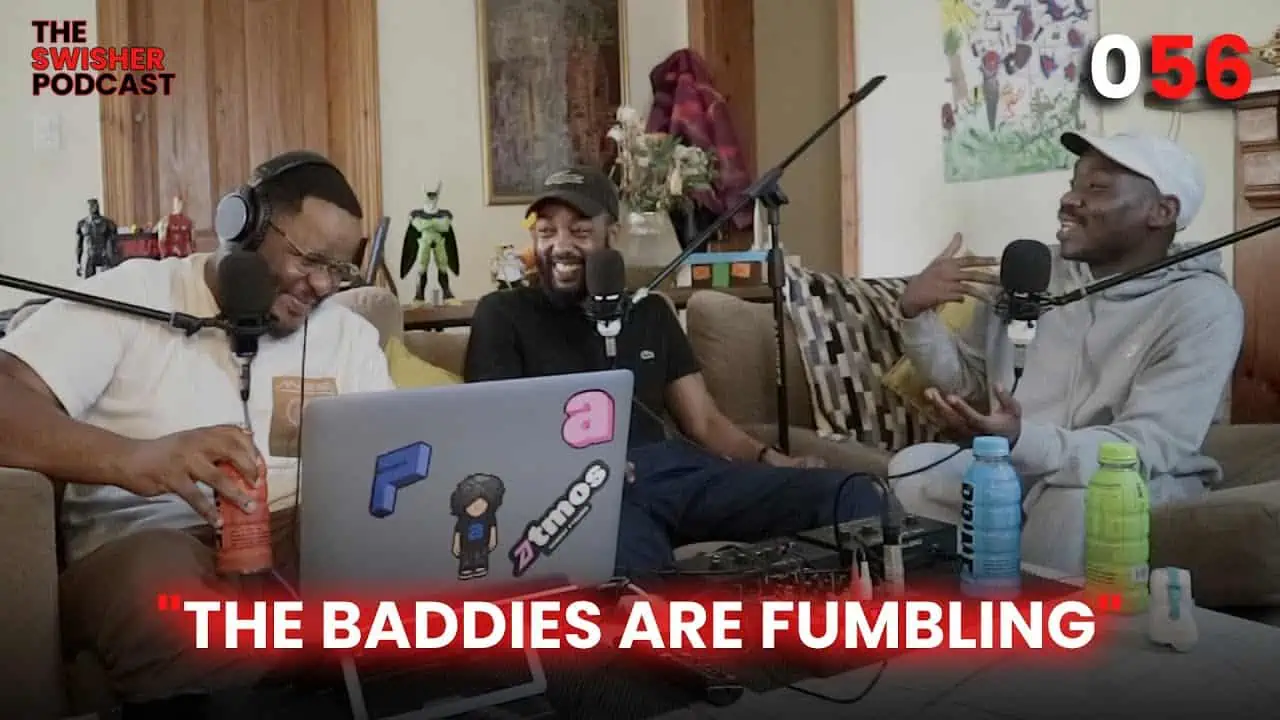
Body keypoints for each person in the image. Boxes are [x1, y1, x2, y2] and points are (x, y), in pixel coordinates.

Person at [0, 152, 393, 713]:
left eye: (340, 270)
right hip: (156, 544)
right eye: (309, 259)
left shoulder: (348, 335)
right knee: (169, 601)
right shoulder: (132, 294)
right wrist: (132, 458)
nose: (323, 285)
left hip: (299, 540)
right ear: (243, 224)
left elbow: (392, 457)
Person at [464, 166, 885, 579]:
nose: (560, 245)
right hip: (586, 492)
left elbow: (705, 422)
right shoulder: (503, 313)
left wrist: (773, 459)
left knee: (854, 494)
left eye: (579, 231)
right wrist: (571, 470)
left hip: (676, 471)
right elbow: (497, 433)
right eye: (546, 232)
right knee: (636, 580)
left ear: (612, 235)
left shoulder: (649, 311)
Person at [888, 131, 1244, 574]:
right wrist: (916, 314)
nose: (1070, 199)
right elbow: (969, 381)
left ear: (1162, 211)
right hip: (1021, 465)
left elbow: (1146, 446)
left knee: (1073, 500)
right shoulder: (1031, 272)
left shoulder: (1203, 305)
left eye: (1097, 188)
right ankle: (962, 602)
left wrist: (1023, 440)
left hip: (1134, 479)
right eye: (1073, 184)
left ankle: (1034, 618)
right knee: (913, 470)